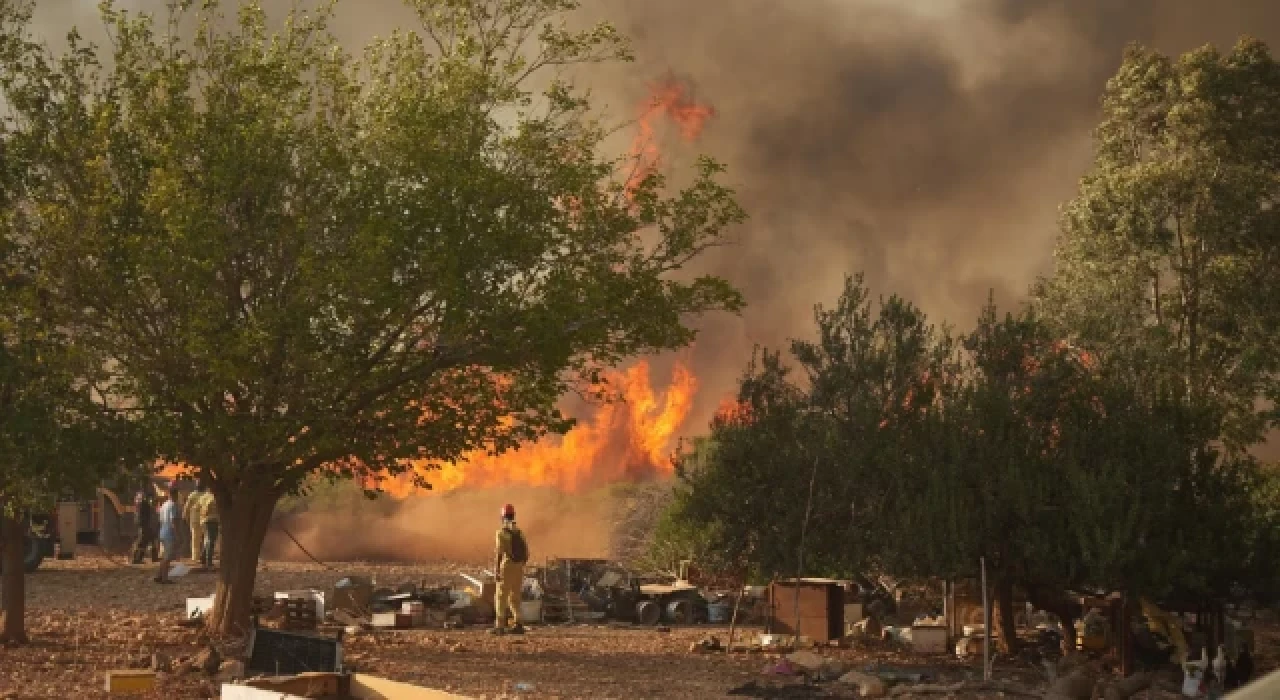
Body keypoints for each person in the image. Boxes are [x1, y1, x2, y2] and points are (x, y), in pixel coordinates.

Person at [490, 503, 529, 635]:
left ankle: (500, 626)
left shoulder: (501, 533)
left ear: (502, 517)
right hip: (519, 568)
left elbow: (499, 553)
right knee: (515, 597)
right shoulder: (519, 532)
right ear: (514, 515)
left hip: (507, 567)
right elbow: (526, 553)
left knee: (501, 596)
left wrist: (496, 570)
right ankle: (519, 624)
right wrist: (521, 565)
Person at [154, 488, 179, 584]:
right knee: (167, 558)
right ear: (175, 495)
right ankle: (164, 578)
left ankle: (159, 575)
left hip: (162, 532)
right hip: (169, 533)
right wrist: (177, 534)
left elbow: (160, 520)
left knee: (164, 556)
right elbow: (173, 521)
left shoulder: (164, 505)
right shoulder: (172, 505)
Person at [130, 491, 158, 565]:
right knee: (142, 542)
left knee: (148, 541)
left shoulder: (138, 503)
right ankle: (136, 559)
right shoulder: (143, 504)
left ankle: (152, 557)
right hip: (144, 525)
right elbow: (150, 509)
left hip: (144, 525)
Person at [183, 484, 207, 564]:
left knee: (195, 539)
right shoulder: (206, 495)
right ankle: (205, 555)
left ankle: (195, 557)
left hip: (195, 519)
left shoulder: (192, 494)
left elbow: (187, 507)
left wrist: (185, 517)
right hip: (204, 518)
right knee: (206, 538)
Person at [197, 486, 220, 569]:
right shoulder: (214, 498)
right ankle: (208, 561)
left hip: (203, 520)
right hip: (212, 520)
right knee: (211, 540)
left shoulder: (203, 497)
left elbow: (197, 507)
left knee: (207, 539)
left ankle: (203, 557)